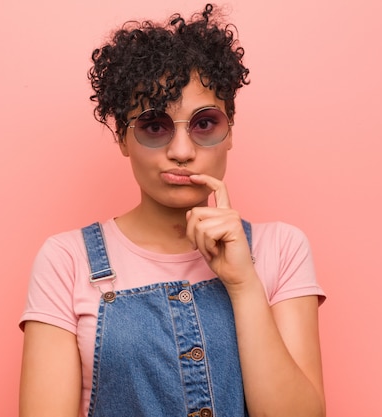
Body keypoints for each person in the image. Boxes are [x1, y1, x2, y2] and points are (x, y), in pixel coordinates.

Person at [19, 4, 326, 417]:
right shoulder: (66, 261)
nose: (181, 152)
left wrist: (243, 284)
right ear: (123, 140)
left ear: (230, 131)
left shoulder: (281, 249)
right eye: (154, 126)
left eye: (203, 124)